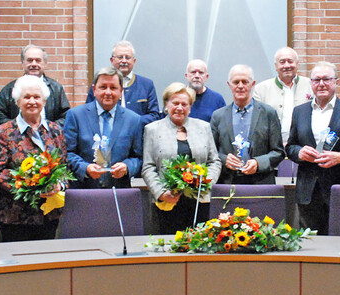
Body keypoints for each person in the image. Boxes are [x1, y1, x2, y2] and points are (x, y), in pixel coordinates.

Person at [286, 62, 340, 235]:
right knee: (311, 244)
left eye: (326, 79)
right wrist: (299, 153)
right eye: (316, 80)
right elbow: (290, 146)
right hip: (308, 191)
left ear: (336, 82)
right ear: (311, 83)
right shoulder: (299, 112)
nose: (321, 84)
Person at [0, 75, 66, 242]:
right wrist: (30, 185)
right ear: (17, 102)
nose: (32, 101)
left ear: (44, 101)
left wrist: (59, 184)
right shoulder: (4, 132)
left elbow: (65, 168)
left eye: (36, 97)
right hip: (15, 218)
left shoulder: (55, 131)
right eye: (26, 97)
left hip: (48, 216)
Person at [142, 82, 222, 234]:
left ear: (190, 107)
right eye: (175, 103)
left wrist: (205, 184)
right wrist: (161, 193)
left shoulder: (204, 127)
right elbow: (148, 167)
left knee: (200, 244)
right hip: (168, 201)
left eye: (184, 104)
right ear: (166, 104)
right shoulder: (152, 129)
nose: (180, 108)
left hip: (200, 199)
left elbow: (214, 161)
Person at [64, 67, 143, 189]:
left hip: (119, 193)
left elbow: (139, 157)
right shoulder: (75, 115)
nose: (108, 92)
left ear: (121, 91)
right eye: (103, 87)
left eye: (113, 88)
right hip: (84, 192)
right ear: (94, 89)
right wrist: (85, 168)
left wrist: (127, 167)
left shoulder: (134, 120)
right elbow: (67, 153)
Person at [211, 64, 285, 185]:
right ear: (229, 85)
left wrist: (258, 163)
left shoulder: (269, 113)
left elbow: (279, 152)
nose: (240, 86)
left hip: (260, 183)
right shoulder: (218, 116)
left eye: (245, 82)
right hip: (228, 183)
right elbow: (211, 153)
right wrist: (224, 159)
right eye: (236, 82)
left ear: (253, 83)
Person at [0, 44, 71, 127]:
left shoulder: (56, 89)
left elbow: (66, 116)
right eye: (29, 60)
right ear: (22, 63)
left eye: (38, 60)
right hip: (17, 138)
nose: (34, 64)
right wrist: (19, 129)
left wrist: (47, 129)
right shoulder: (9, 89)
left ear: (45, 63)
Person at [86, 40, 160, 126]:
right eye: (120, 57)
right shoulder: (100, 83)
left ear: (134, 61)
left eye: (128, 57)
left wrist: (132, 121)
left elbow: (155, 116)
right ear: (112, 60)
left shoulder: (147, 85)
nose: (124, 61)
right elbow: (89, 112)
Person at [253, 47, 313, 145]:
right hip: (273, 148)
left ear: (297, 64)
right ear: (276, 66)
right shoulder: (261, 89)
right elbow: (257, 124)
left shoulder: (311, 85)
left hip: (304, 147)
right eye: (282, 62)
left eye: (290, 61)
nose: (286, 65)